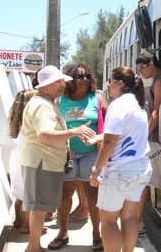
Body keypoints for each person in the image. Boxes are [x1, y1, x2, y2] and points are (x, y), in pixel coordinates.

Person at [20, 65, 96, 252]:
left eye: (63, 81)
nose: (63, 84)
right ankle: (34, 248)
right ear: (45, 85)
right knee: (39, 208)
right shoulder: (43, 106)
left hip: (42, 163)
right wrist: (74, 131)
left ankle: (35, 246)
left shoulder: (46, 102)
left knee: (39, 207)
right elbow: (45, 135)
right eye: (58, 81)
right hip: (42, 164)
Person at [88, 66, 152, 252]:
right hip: (140, 168)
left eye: (109, 81)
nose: (107, 85)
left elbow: (110, 143)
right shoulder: (138, 104)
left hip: (120, 171)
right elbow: (125, 134)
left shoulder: (118, 105)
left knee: (108, 220)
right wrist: (97, 138)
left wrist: (96, 169)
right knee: (130, 216)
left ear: (120, 83)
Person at [49, 63, 108, 251]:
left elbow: (111, 121)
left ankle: (96, 234)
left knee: (92, 195)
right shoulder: (61, 100)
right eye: (79, 76)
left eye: (86, 76)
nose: (84, 80)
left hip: (91, 153)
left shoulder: (97, 98)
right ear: (70, 80)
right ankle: (63, 232)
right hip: (67, 153)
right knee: (64, 195)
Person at [135, 51, 161, 235]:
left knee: (150, 180)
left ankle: (139, 223)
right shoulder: (158, 80)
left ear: (151, 63)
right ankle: (138, 222)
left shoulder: (159, 81)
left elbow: (157, 112)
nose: (141, 73)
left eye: (142, 68)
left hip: (155, 138)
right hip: (155, 137)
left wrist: (143, 136)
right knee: (148, 180)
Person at [8, 89, 39, 234]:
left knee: (19, 193)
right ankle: (26, 226)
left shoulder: (15, 119)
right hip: (27, 158)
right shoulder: (30, 120)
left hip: (15, 157)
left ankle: (18, 220)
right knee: (28, 195)